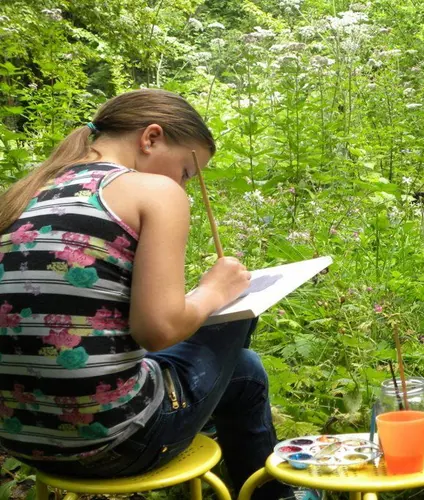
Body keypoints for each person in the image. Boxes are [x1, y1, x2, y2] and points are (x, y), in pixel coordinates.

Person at [0, 89, 291, 499]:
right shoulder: (154, 191)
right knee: (240, 320)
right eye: (187, 171)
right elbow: (158, 329)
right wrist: (214, 290)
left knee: (244, 371)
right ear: (150, 138)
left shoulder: (28, 192)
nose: (183, 182)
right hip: (114, 441)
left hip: (23, 443)